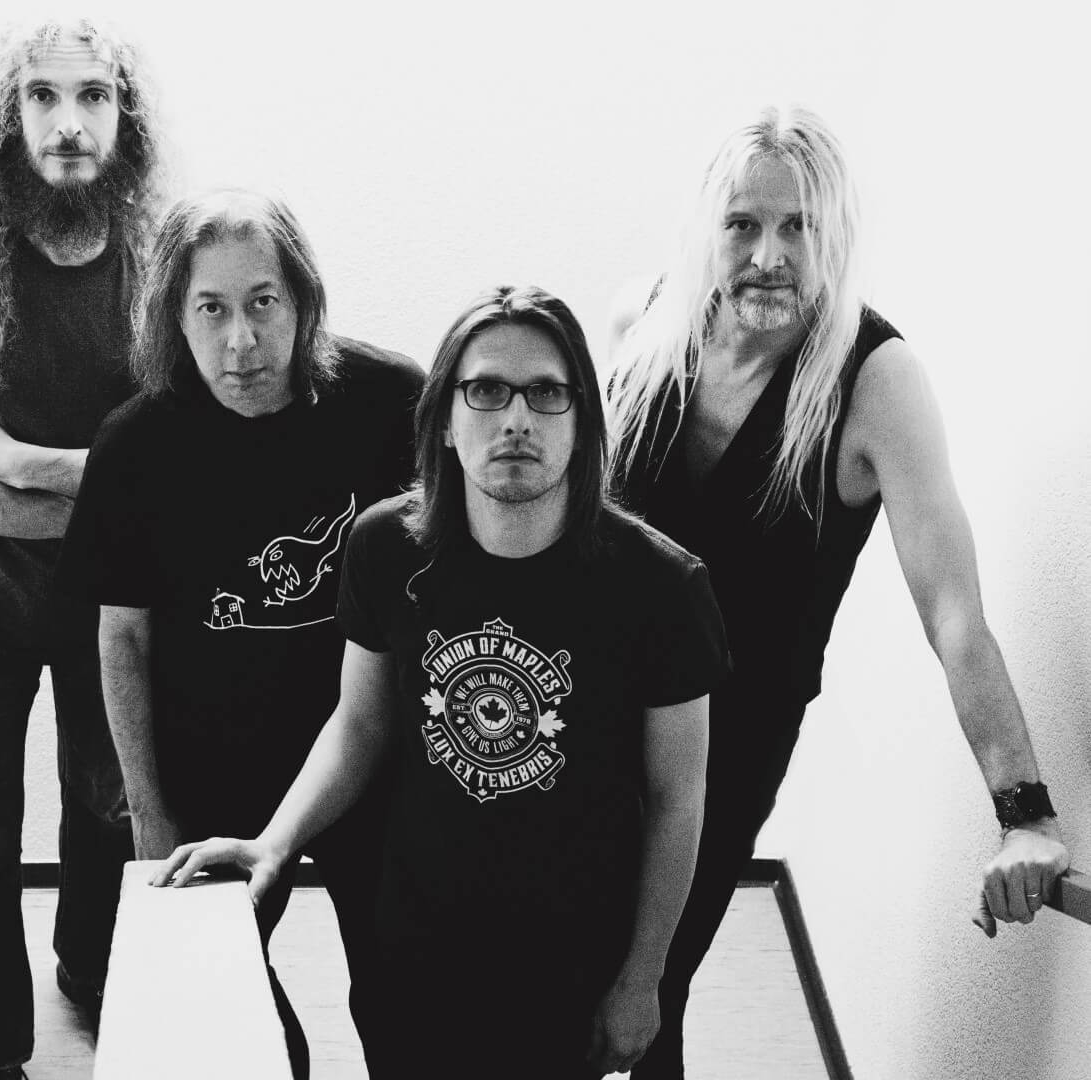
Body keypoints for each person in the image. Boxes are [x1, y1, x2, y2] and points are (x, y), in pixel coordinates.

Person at [154, 285, 731, 1078]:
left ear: (583, 421)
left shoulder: (662, 586)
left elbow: (678, 798)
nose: (516, 418)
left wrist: (642, 978)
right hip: (414, 942)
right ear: (446, 420)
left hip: (569, 957)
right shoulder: (384, 547)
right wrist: (275, 844)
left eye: (547, 393)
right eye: (486, 390)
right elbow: (359, 725)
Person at [605, 105, 1072, 1079]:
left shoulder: (876, 381)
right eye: (743, 224)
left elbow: (955, 614)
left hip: (727, 748)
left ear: (838, 235)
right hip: (596, 709)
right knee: (561, 963)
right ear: (707, 228)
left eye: (800, 226)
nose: (769, 256)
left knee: (647, 988)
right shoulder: (647, 324)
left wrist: (1025, 810)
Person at [57, 189, 424, 1076]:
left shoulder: (391, 402)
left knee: (402, 998)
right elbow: (122, 639)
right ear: (174, 319)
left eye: (263, 302)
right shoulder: (135, 444)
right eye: (211, 309)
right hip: (212, 770)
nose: (241, 341)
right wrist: (151, 814)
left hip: (366, 752)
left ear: (303, 302)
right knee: (218, 1009)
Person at [0, 16, 170, 1075]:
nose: (69, 123)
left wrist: (13, 459)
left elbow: (171, 473)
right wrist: (94, 475)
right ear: (9, 117)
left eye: (93, 96)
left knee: (108, 817)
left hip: (115, 605)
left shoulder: (166, 268)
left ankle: (94, 974)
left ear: (126, 116)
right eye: (43, 96)